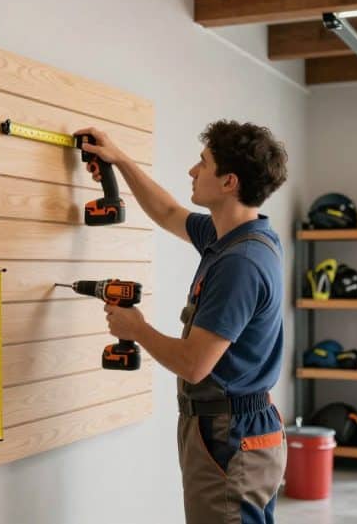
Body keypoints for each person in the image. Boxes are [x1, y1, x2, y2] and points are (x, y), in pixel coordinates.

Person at [76, 120, 288, 524]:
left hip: (229, 434)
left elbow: (195, 364)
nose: (192, 170)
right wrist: (119, 159)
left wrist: (136, 328)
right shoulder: (235, 237)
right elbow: (169, 212)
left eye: (203, 163)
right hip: (238, 427)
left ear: (228, 182)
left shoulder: (240, 263)